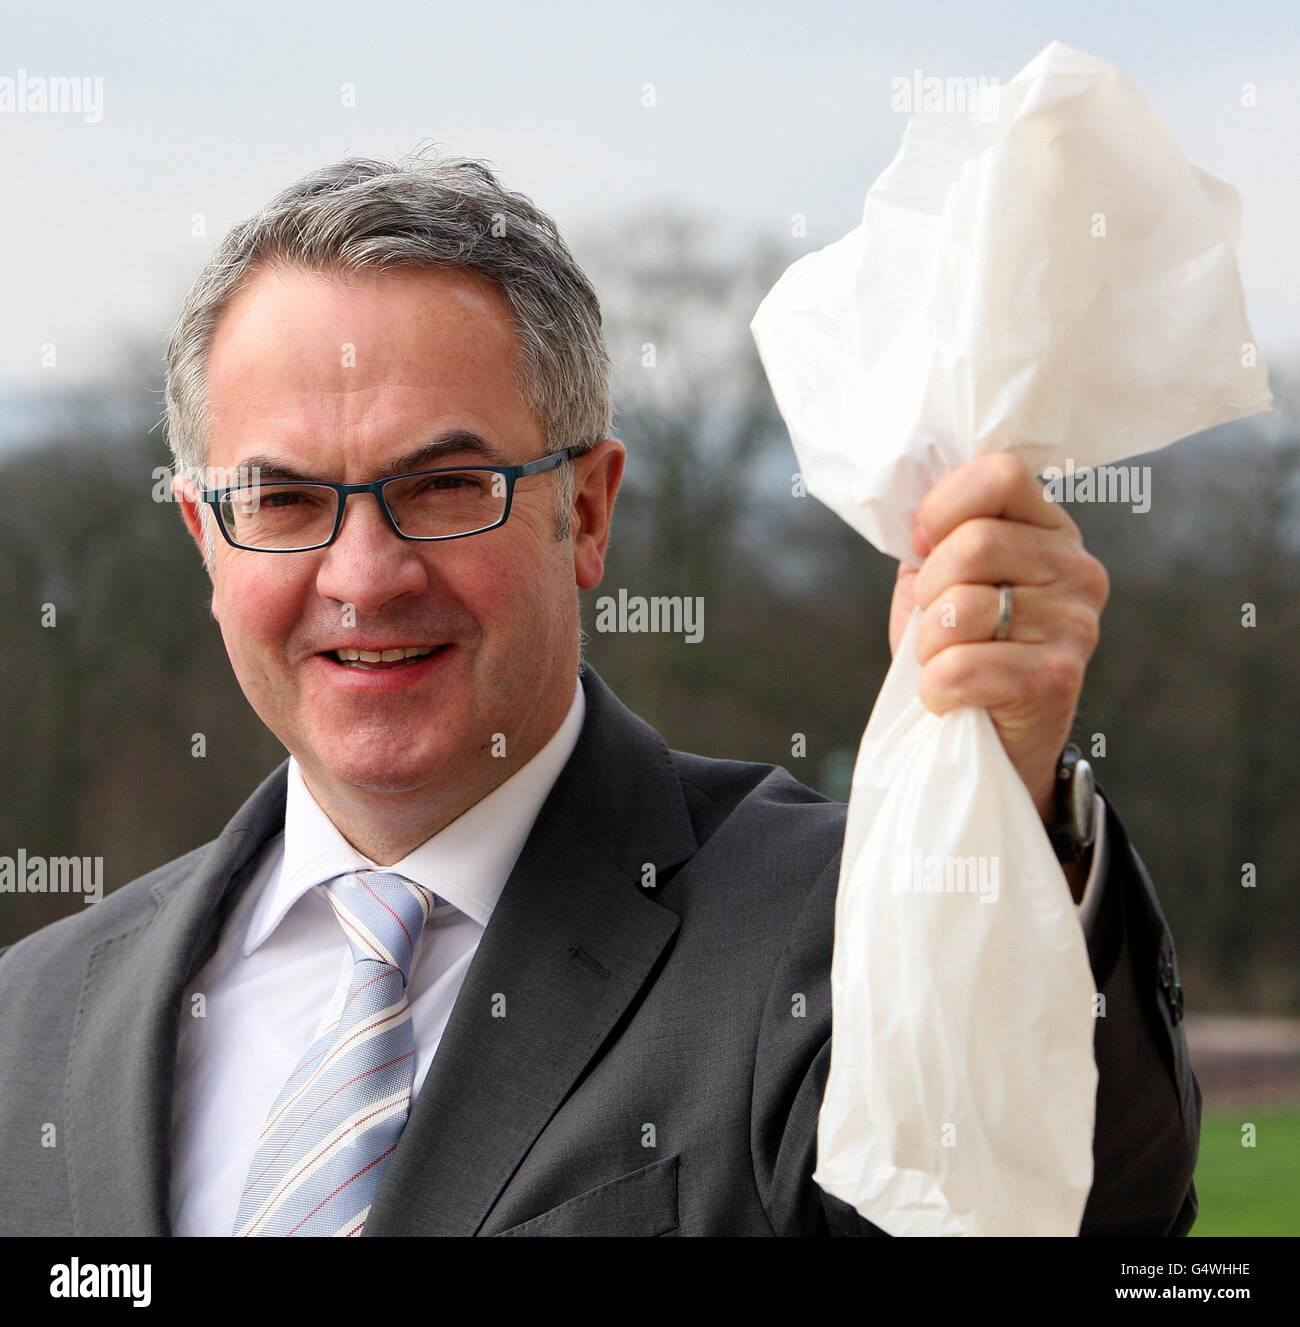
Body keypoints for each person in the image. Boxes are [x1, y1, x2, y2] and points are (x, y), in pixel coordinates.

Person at [0, 151, 1198, 1237]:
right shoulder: (32, 1019)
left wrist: (997, 815)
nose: (363, 577)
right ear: (205, 537)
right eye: (285, 501)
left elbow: (1062, 1212)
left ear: (585, 510)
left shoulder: (844, 925)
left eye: (447, 483)